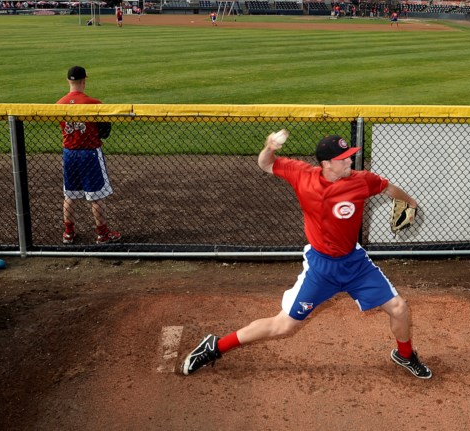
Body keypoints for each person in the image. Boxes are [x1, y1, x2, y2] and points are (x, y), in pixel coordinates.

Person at [181, 131, 431, 379]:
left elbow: (388, 188)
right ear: (326, 164)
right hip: (321, 268)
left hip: (354, 264)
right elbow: (265, 164)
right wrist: (269, 147)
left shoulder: (362, 180)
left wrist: (411, 202)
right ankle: (215, 347)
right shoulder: (302, 174)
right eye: (344, 158)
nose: (350, 162)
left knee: (399, 308)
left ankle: (405, 355)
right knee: (283, 326)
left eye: (350, 156)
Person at [57, 66, 121, 245]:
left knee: (70, 195)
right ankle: (102, 234)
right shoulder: (93, 103)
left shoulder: (58, 104)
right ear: (84, 80)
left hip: (69, 154)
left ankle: (68, 233)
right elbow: (105, 130)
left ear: (68, 81)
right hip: (90, 154)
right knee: (97, 196)